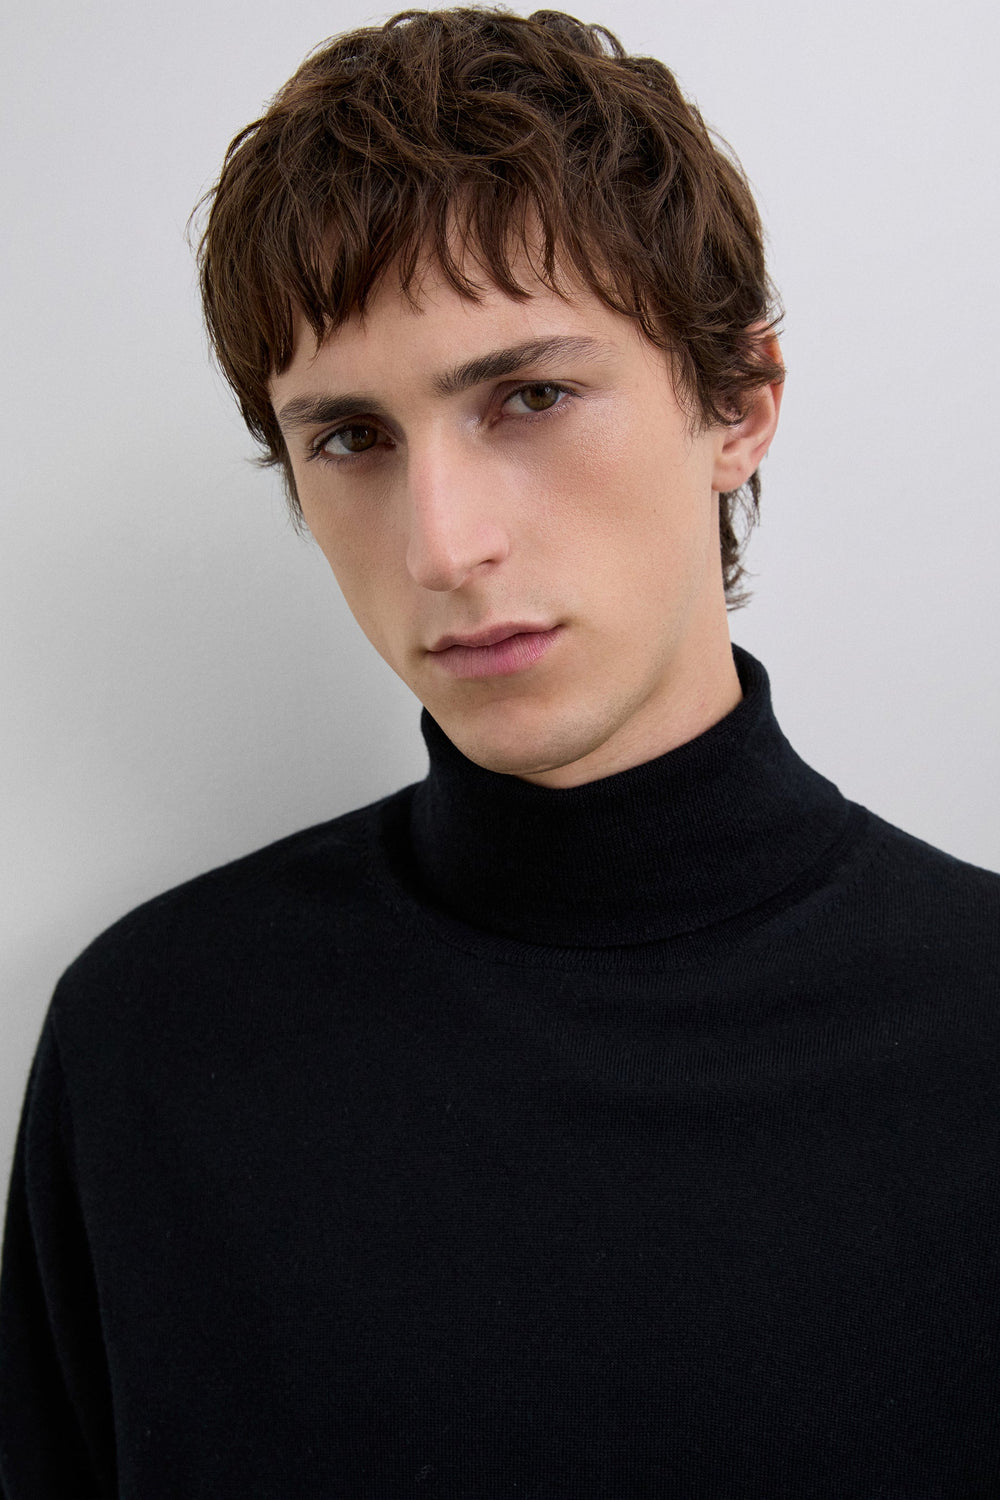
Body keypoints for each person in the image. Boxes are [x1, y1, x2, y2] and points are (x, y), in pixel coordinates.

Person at [1, 7, 998, 1494]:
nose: (442, 546)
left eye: (528, 396)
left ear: (739, 404)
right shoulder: (148, 1046)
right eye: (351, 438)